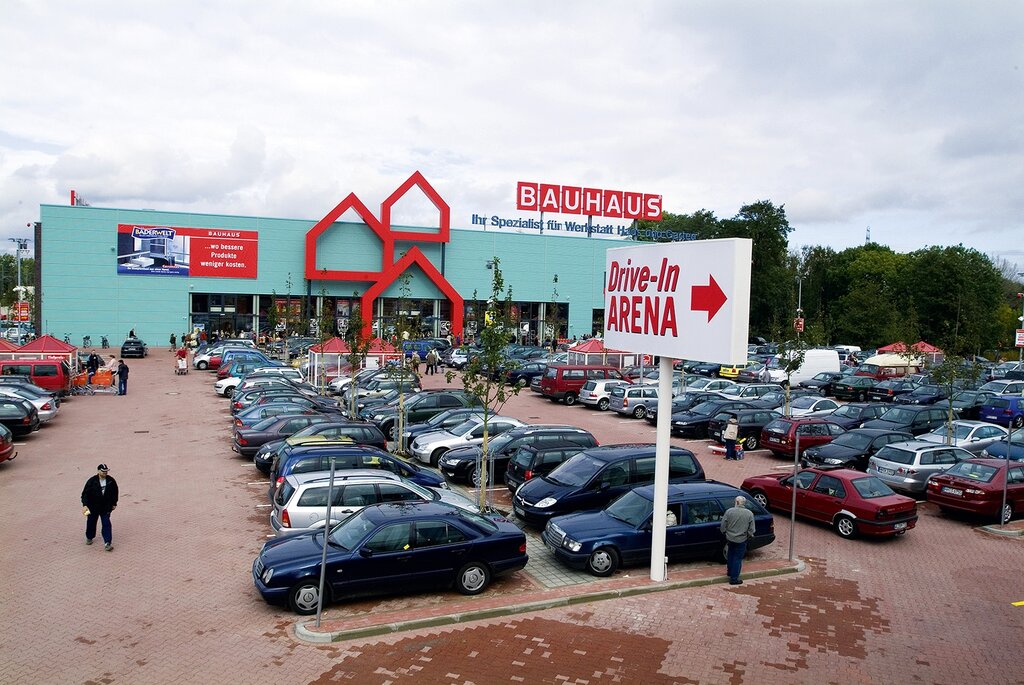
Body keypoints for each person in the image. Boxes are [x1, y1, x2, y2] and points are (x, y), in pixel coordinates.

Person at [81, 463, 119, 551]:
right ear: (98, 471)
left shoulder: (111, 481)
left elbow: (115, 492)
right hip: (92, 507)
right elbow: (85, 494)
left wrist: (114, 503)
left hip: (105, 507)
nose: (105, 472)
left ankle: (107, 543)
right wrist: (85, 505)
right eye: (103, 471)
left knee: (106, 524)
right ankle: (89, 537)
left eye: (106, 471)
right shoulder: (91, 481)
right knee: (91, 522)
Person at [720, 496, 755, 585]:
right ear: (744, 503)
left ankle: (729, 572)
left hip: (730, 538)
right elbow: (751, 529)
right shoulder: (749, 513)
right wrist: (748, 535)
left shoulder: (729, 511)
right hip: (741, 539)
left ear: (736, 502)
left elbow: (723, 525)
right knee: (737, 558)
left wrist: (725, 532)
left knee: (730, 555)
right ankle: (734, 579)